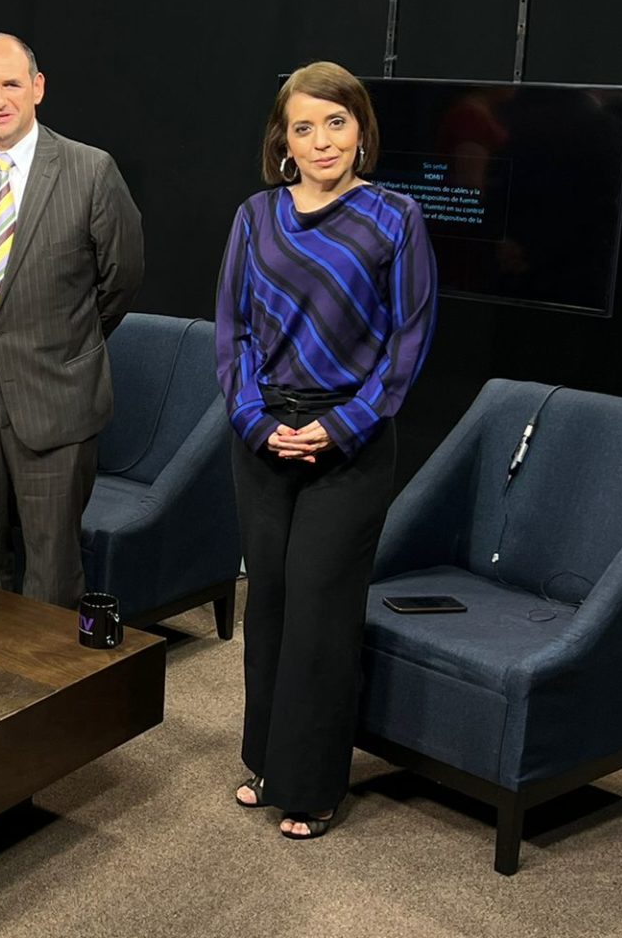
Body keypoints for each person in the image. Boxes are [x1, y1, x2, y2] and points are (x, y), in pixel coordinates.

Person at [216, 60, 436, 839]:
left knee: (319, 606)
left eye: (336, 123)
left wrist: (342, 425)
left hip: (351, 440)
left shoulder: (396, 218)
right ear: (283, 141)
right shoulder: (255, 216)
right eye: (303, 127)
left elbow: (409, 340)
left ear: (360, 130)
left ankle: (312, 786)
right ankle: (268, 761)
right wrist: (253, 419)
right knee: (272, 599)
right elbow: (233, 332)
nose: (321, 141)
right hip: (264, 436)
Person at [0, 33, 144, 607]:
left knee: (53, 570)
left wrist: (63, 336)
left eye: (11, 83)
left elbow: (121, 277)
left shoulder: (90, 170)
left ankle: (49, 671)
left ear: (37, 87)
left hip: (56, 398)